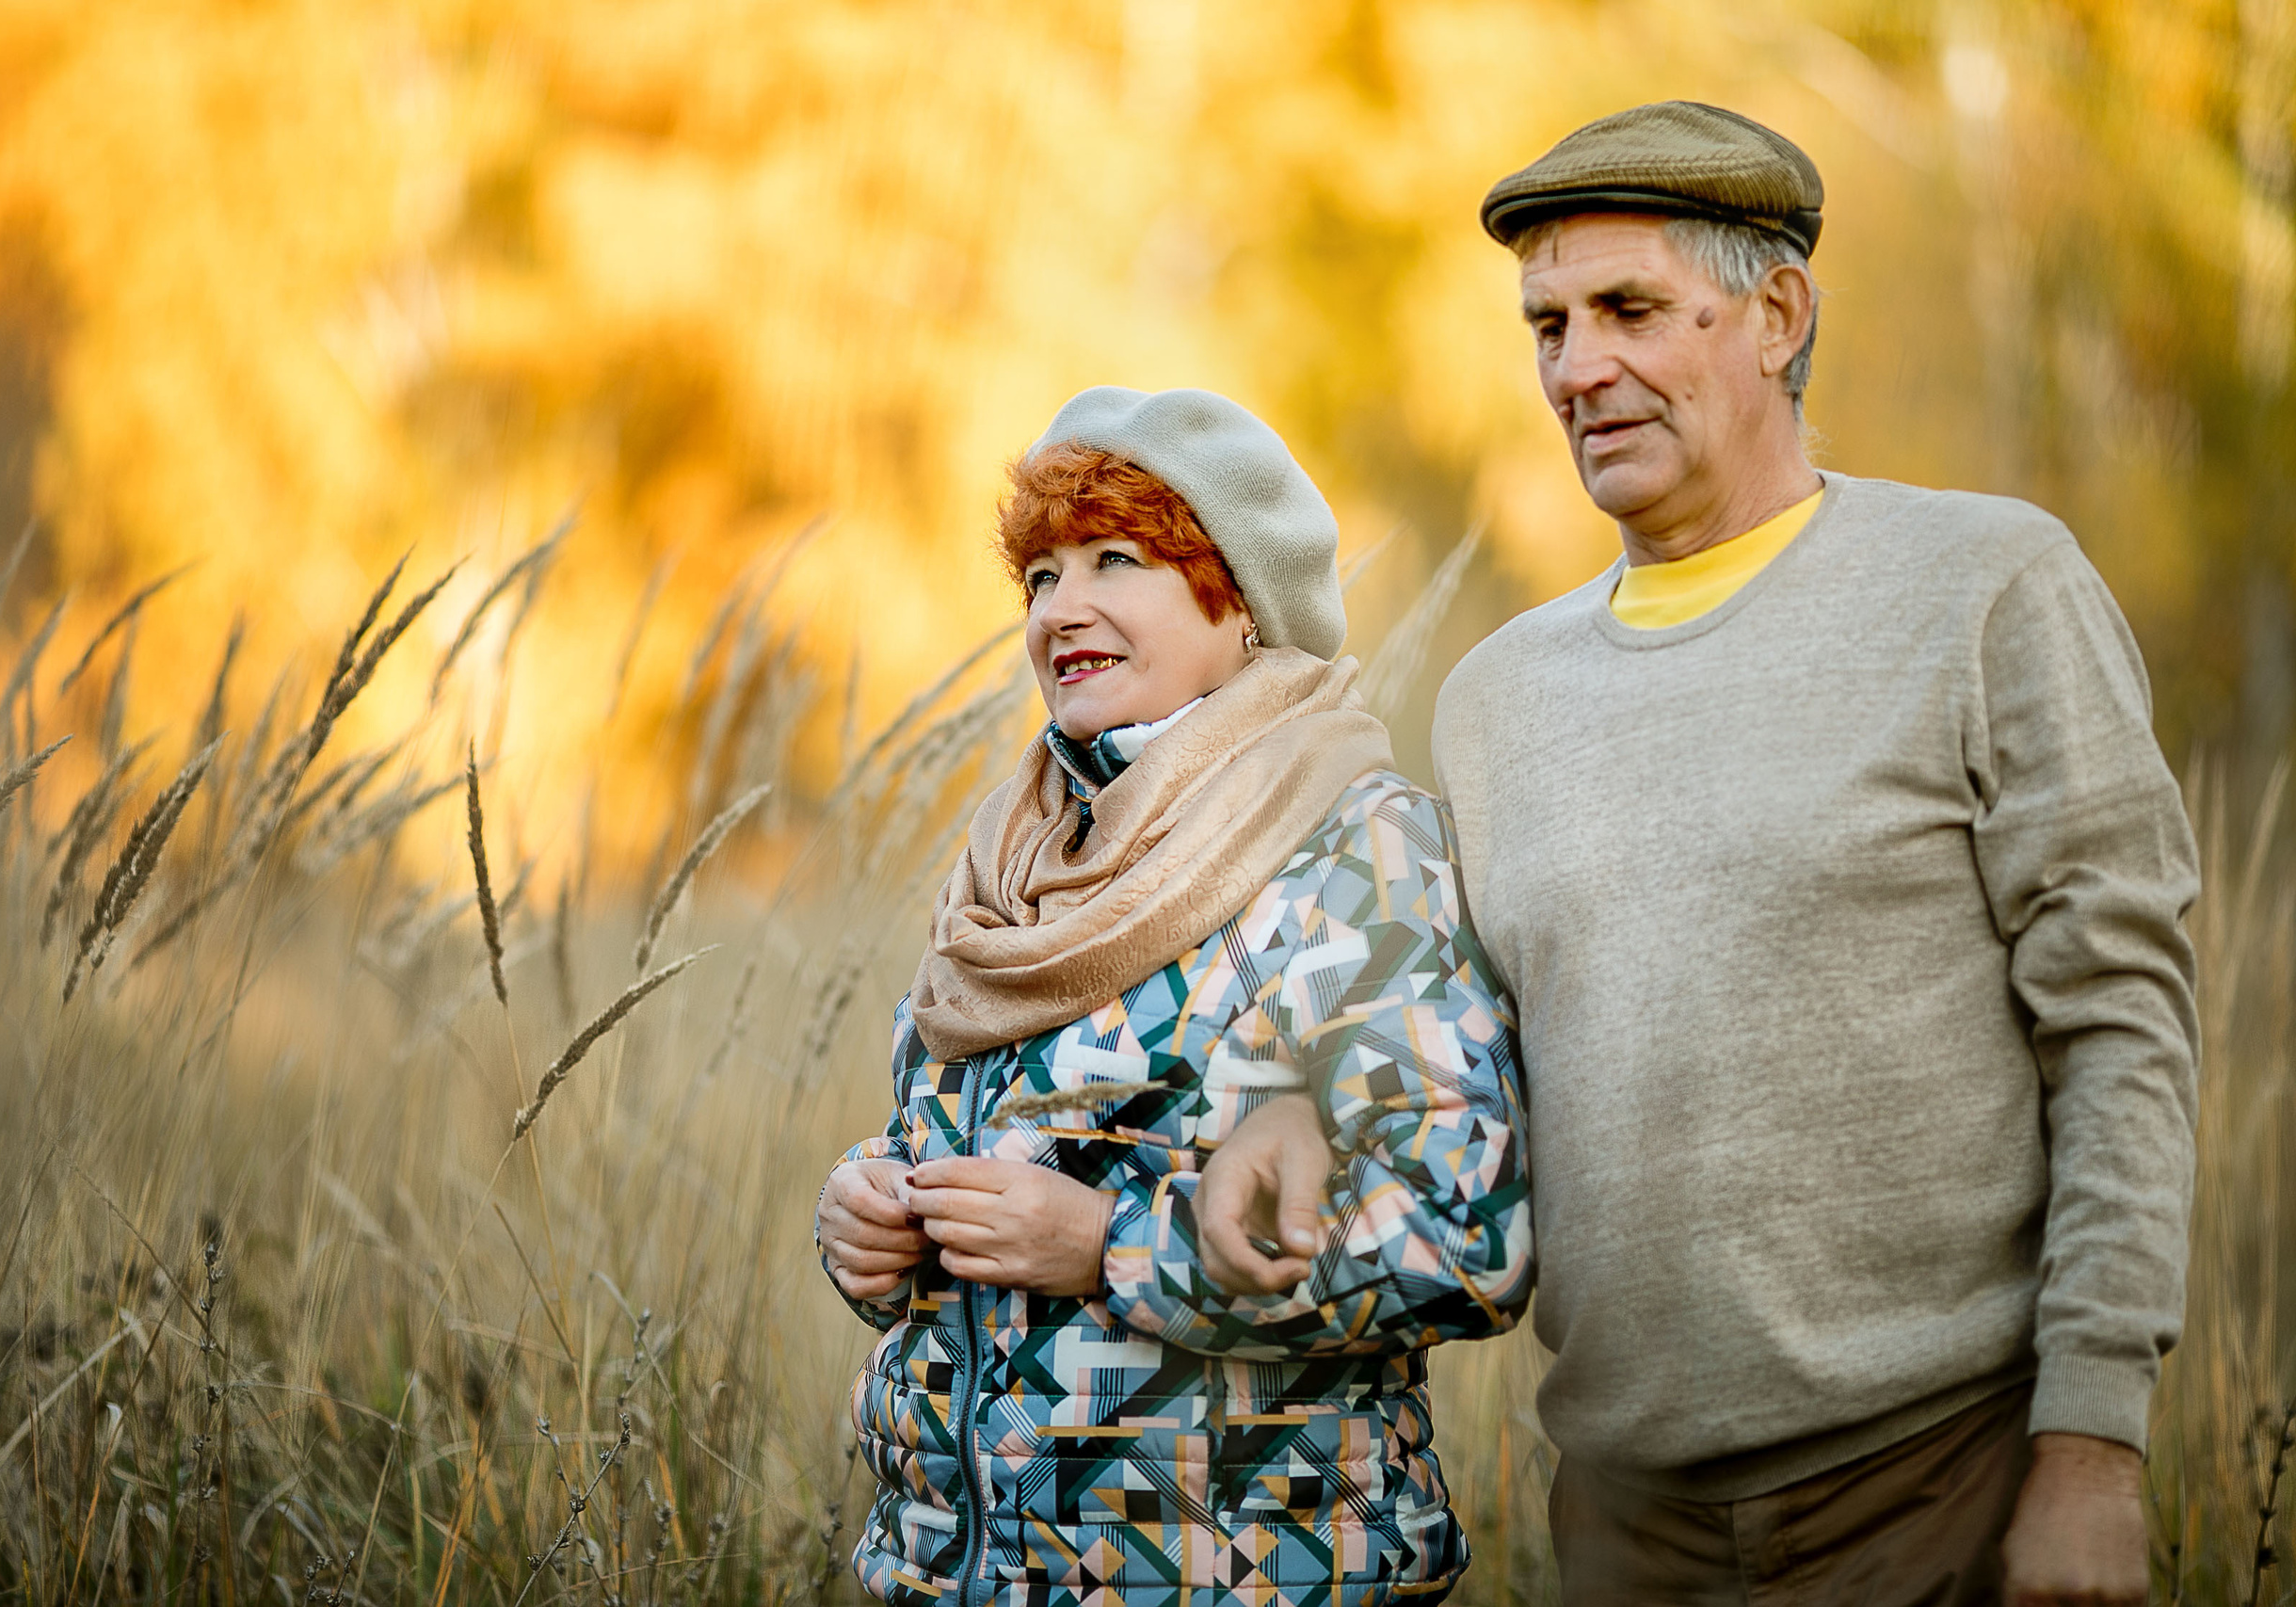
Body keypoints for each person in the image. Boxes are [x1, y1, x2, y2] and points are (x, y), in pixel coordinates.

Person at [1195, 103, 2200, 1606]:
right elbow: (1437, 1038)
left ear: (1779, 312)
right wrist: (1287, 1101)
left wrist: (2093, 1447)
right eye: (1547, 326)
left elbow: (2122, 1026)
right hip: (1617, 1526)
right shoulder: (1498, 698)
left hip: (1948, 1485)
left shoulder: (1986, 589)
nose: (1577, 368)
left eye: (1631, 311)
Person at [814, 385, 1533, 1607]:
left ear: (1241, 600)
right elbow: (972, 1164)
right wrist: (873, 1219)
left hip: (1250, 1579)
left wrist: (1110, 1248)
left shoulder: (1356, 854)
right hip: (965, 1574)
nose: (1063, 608)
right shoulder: (1015, 868)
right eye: (1040, 574)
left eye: (1118, 558)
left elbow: (1462, 1235)